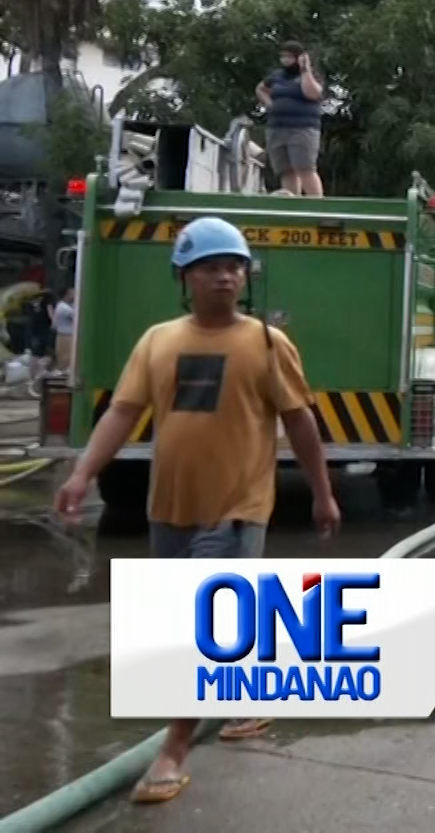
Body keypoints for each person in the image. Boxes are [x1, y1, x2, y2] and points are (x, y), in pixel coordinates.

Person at [52, 216, 338, 806]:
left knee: (200, 627)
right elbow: (122, 415)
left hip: (238, 506)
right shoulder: (158, 341)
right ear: (184, 276)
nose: (226, 277)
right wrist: (82, 474)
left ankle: (173, 749)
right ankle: (245, 700)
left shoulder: (266, 342)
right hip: (170, 507)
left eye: (234, 267)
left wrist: (321, 489)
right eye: (211, 267)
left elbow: (299, 421)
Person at [254, 41, 327, 197]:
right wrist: (269, 104)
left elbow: (312, 94)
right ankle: (292, 205)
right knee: (286, 170)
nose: (285, 60)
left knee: (305, 168)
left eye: (289, 56)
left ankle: (317, 207)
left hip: (302, 128)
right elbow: (260, 88)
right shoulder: (276, 76)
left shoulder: (312, 75)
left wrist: (305, 69)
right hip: (277, 127)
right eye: (283, 56)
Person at [52, 287, 75, 374]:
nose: (73, 296)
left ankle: (62, 370)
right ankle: (63, 371)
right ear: (66, 295)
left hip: (63, 334)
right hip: (66, 335)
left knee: (63, 354)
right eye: (72, 294)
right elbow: (76, 317)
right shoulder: (64, 308)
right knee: (66, 355)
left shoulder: (62, 305)